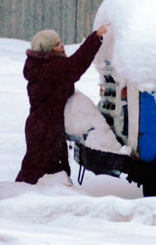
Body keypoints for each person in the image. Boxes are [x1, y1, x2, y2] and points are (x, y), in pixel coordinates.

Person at [15, 24, 108, 185]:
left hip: (45, 128)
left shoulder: (40, 66)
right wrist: (95, 38)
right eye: (57, 44)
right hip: (45, 131)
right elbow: (76, 65)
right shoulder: (51, 69)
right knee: (36, 173)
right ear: (48, 50)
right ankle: (19, 200)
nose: (63, 45)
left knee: (50, 171)